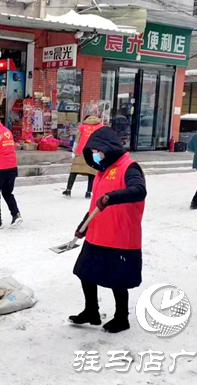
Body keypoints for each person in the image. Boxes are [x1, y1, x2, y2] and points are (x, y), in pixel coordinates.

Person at [69, 126, 146, 334]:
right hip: (97, 234)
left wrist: (112, 197)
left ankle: (122, 318)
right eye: (93, 152)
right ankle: (91, 311)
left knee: (117, 280)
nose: (96, 156)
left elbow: (139, 191)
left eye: (99, 151)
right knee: (85, 272)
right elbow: (96, 203)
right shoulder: (103, 170)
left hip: (119, 236)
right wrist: (84, 225)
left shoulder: (129, 167)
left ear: (110, 149)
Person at [63, 115, 104, 199]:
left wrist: (74, 151)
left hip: (81, 151)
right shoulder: (100, 127)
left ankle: (68, 190)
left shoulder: (82, 127)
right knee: (91, 173)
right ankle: (88, 193)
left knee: (74, 171)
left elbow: (77, 141)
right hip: (93, 152)